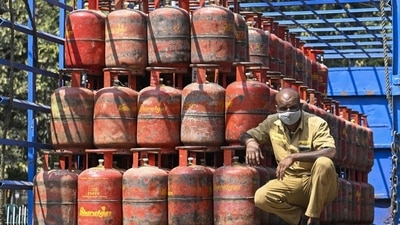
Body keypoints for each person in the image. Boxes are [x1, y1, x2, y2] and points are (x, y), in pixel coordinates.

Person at [239, 87, 338, 225]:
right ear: (277, 108)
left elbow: (330, 151)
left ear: (301, 106)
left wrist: (294, 157)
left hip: (317, 182)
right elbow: (246, 134)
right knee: (261, 197)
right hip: (291, 182)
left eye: (293, 108)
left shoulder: (316, 124)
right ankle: (300, 220)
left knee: (324, 163)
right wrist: (251, 143)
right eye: (284, 109)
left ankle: (314, 217)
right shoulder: (272, 123)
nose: (288, 113)